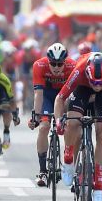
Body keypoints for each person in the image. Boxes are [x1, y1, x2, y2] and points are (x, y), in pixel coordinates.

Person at [53, 52, 102, 201]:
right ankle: (68, 160)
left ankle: (98, 188)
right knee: (73, 122)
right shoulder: (79, 70)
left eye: (100, 83)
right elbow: (60, 98)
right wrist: (58, 120)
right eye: (94, 83)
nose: (97, 86)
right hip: (82, 88)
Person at [28, 43, 76, 187]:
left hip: (65, 95)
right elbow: (38, 94)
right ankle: (43, 170)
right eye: (53, 64)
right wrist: (36, 116)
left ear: (65, 62)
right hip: (47, 97)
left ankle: (69, 161)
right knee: (44, 127)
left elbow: (75, 93)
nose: (56, 67)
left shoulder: (72, 66)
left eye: (59, 64)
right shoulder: (39, 65)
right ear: (48, 61)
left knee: (71, 125)